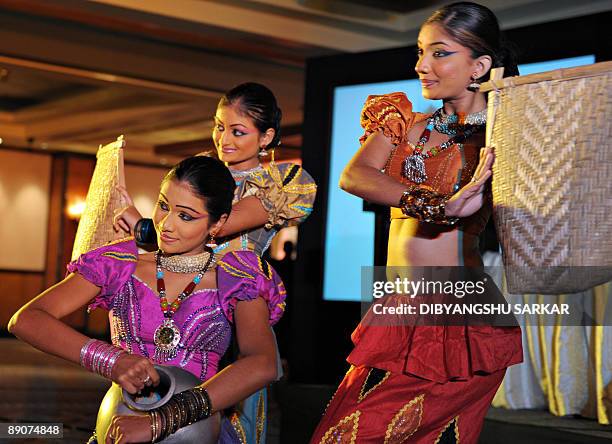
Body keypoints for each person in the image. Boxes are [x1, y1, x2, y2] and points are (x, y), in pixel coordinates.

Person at [310, 3, 522, 443]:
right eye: (421, 51)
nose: (421, 65)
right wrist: (437, 206)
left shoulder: (502, 138)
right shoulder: (405, 123)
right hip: (400, 309)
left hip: (459, 318)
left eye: (439, 53)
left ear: (479, 66)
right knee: (339, 433)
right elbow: (355, 176)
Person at [9, 156, 286, 443]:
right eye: (164, 206)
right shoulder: (119, 265)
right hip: (121, 426)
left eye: (186, 216)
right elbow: (26, 320)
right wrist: (111, 360)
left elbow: (263, 363)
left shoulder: (237, 277)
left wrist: (161, 422)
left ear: (218, 223)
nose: (166, 224)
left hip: (194, 432)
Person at [114, 82, 317, 443]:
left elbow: (221, 225)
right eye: (219, 126)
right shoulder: (204, 170)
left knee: (232, 407)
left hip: (238, 300)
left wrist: (146, 223)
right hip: (184, 295)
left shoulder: (281, 182)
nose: (224, 139)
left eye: (238, 131)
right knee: (163, 392)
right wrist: (140, 230)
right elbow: (175, 240)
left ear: (266, 137)